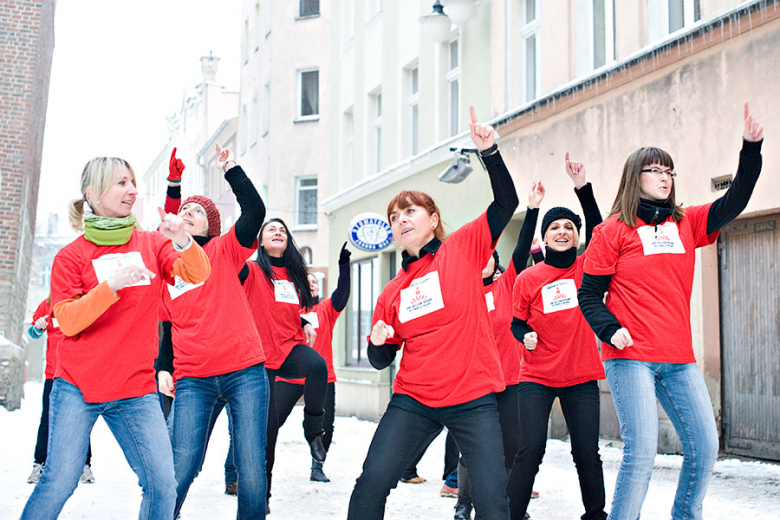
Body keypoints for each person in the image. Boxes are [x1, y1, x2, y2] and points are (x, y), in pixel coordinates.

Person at [578, 103, 764, 520]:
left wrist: (750, 149)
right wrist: (611, 330)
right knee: (642, 452)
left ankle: (686, 515)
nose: (664, 178)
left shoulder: (686, 223)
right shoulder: (612, 232)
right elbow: (589, 295)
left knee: (704, 446)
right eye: (655, 171)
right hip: (630, 357)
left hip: (678, 357)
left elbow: (735, 200)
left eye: (669, 172)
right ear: (635, 178)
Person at [347, 106, 519, 520]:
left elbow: (506, 202)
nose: (401, 219)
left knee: (494, 501)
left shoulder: (461, 249)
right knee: (371, 482)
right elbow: (379, 360)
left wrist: (489, 152)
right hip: (413, 401)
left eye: (410, 211)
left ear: (433, 219)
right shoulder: (393, 290)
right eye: (394, 216)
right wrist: (379, 341)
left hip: (473, 398)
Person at [21, 156, 211, 519]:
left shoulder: (152, 244)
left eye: (132, 182)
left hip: (135, 390)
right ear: (92, 192)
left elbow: (197, 274)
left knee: (162, 485)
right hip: (78, 385)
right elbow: (69, 320)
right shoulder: (71, 256)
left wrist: (183, 238)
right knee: (59, 481)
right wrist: (110, 286)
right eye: (121, 183)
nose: (132, 190)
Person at [155, 145, 271, 519]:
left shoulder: (224, 250)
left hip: (244, 372)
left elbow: (255, 212)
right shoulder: (168, 268)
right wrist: (163, 366)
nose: (188, 214)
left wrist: (231, 168)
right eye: (184, 210)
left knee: (251, 464)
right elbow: (167, 324)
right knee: (181, 463)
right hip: (194, 378)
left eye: (198, 212)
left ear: (211, 227)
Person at [505, 155, 607, 520]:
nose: (562, 231)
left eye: (569, 227)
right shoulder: (528, 279)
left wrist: (582, 186)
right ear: (545, 237)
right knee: (529, 449)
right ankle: (513, 515)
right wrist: (525, 335)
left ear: (577, 236)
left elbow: (601, 231)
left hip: (580, 376)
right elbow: (516, 324)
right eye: (554, 227)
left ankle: (596, 515)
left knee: (586, 452)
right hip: (536, 377)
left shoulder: (588, 268)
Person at [455, 179, 549, 520]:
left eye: (489, 259)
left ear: (495, 264)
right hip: (475, 383)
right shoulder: (461, 294)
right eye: (478, 260)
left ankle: (509, 507)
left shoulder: (507, 284)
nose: (484, 263)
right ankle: (464, 505)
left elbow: (522, 249)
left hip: (510, 380)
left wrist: (533, 209)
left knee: (512, 446)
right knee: (474, 448)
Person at [241, 217, 328, 509]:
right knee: (268, 431)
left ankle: (313, 431)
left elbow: (282, 308)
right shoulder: (251, 270)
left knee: (317, 366)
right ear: (261, 241)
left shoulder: (294, 275)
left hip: (289, 348)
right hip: (260, 358)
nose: (278, 233)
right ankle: (262, 495)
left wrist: (303, 320)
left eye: (282, 231)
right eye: (271, 230)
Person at [273, 243, 351, 483]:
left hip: (323, 377)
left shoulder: (326, 308)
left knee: (325, 425)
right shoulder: (291, 308)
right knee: (270, 423)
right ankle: (255, 464)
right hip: (289, 377)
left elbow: (342, 294)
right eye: (308, 282)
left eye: (316, 282)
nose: (313, 284)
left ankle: (317, 466)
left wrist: (344, 267)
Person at [26, 296, 95, 485]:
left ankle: (84, 465)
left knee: (82, 419)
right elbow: (32, 333)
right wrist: (37, 327)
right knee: (47, 418)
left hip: (78, 374)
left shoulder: (85, 302)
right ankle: (39, 463)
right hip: (54, 374)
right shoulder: (47, 304)